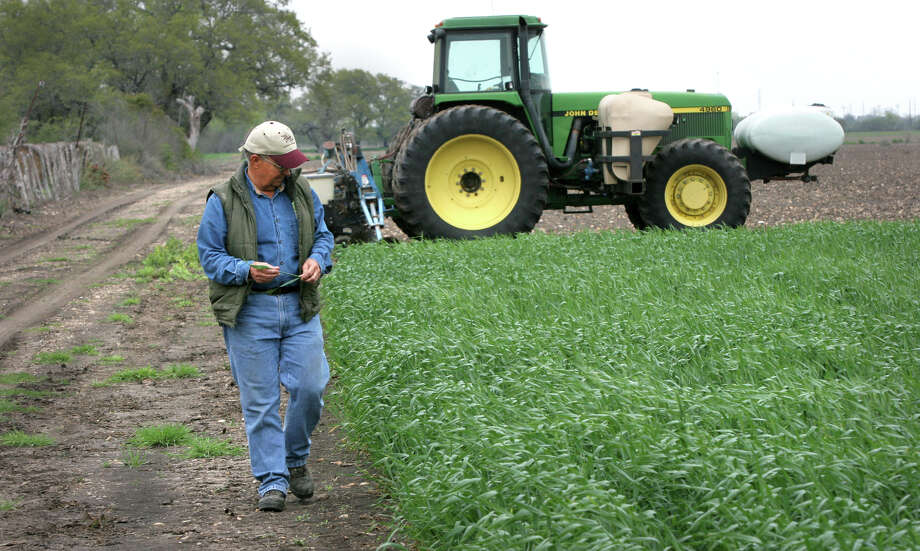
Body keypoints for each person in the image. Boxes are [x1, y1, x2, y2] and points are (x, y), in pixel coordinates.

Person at [196, 121, 334, 512]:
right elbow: (210, 256)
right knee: (261, 402)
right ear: (255, 160)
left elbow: (323, 236)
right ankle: (272, 480)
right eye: (280, 165)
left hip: (299, 307)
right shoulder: (222, 200)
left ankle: (294, 459)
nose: (288, 172)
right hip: (251, 311)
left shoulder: (301, 192)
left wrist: (317, 259)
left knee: (310, 387)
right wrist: (245, 270)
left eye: (291, 164)